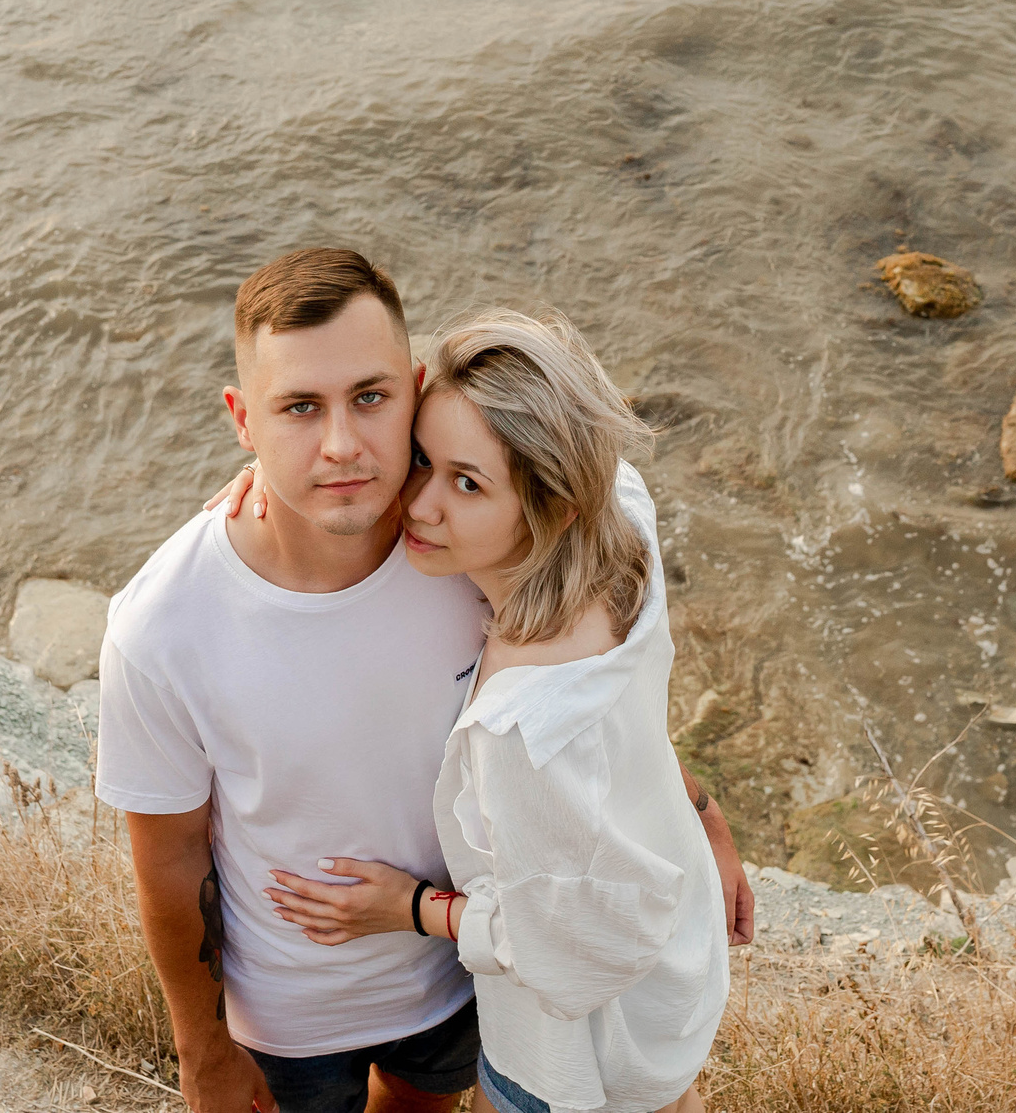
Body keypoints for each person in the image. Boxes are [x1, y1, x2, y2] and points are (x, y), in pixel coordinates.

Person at [98, 250, 752, 1113]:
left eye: (370, 397)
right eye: (298, 407)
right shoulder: (161, 628)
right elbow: (170, 855)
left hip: (459, 979)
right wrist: (203, 1049)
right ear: (241, 419)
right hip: (297, 1012)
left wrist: (696, 810)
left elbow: (590, 696)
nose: (341, 445)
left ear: (411, 392)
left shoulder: (463, 541)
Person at [257, 311, 727, 1113]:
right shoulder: (627, 533)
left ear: (555, 506)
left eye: (468, 483)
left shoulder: (522, 731)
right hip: (680, 959)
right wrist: (275, 476)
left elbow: (558, 947)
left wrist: (408, 907)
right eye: (422, 460)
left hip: (571, 1053)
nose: (421, 505)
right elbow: (627, 734)